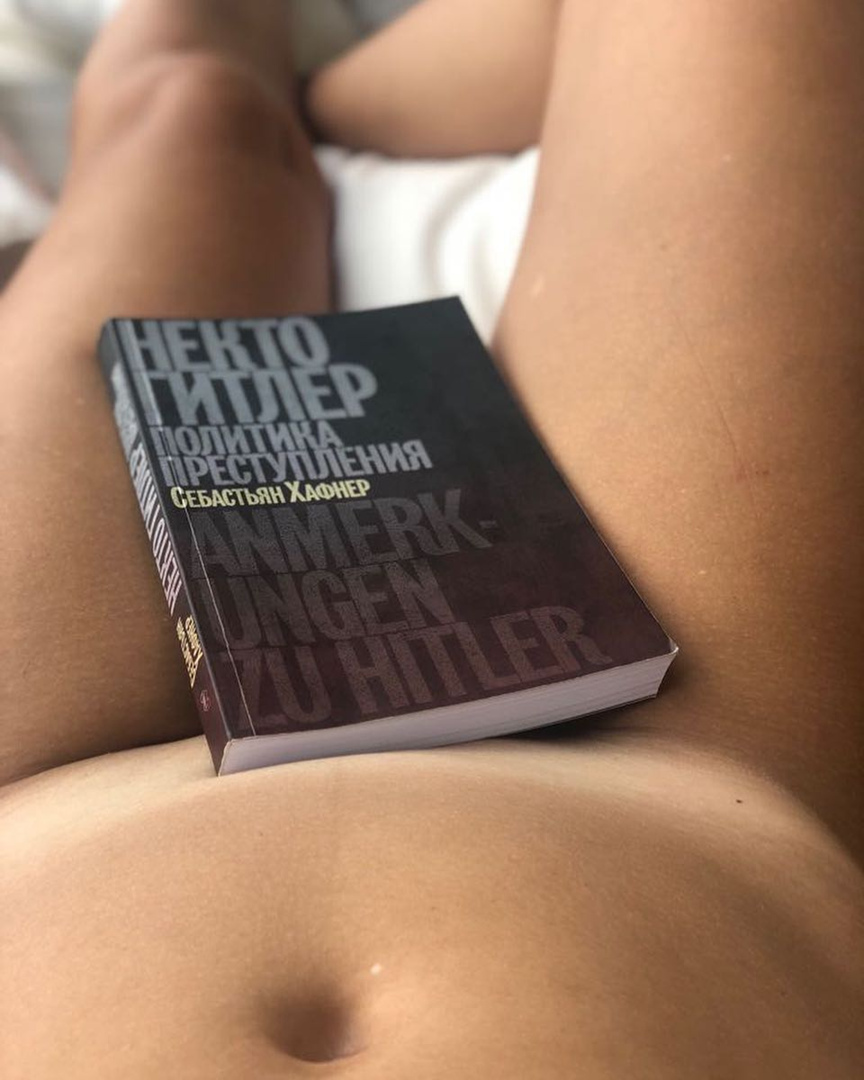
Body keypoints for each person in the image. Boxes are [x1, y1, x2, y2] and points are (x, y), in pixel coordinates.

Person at [1, 1, 861, 1075]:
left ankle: (342, 93)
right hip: (709, 788)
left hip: (35, 800)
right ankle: (380, 87)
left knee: (189, 110)